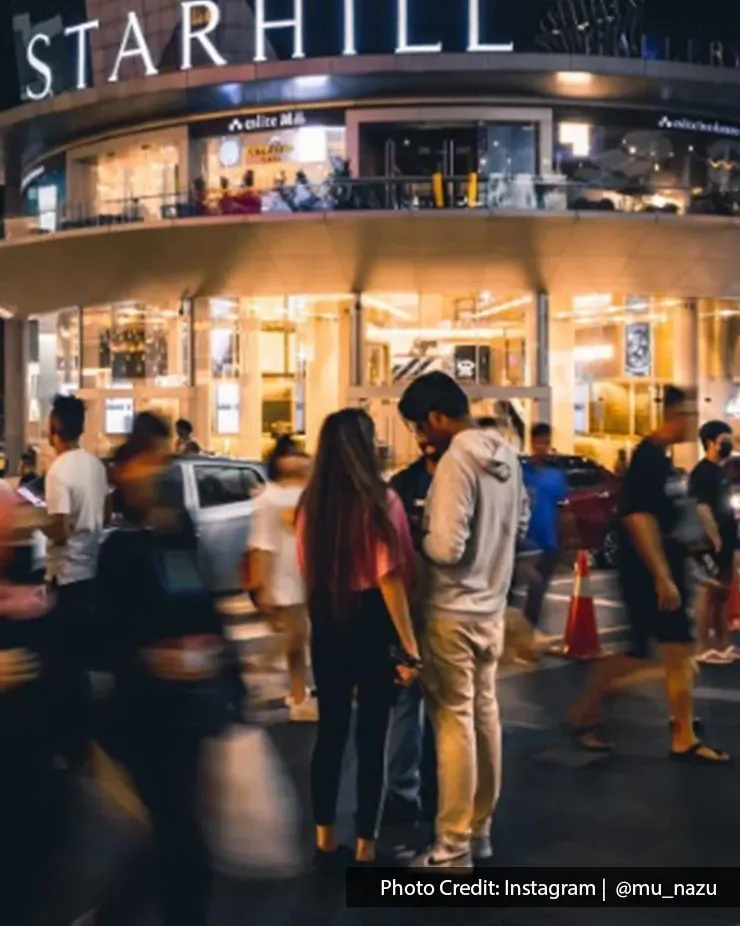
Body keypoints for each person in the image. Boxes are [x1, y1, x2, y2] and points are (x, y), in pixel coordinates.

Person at [96, 413, 242, 926]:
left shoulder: (180, 534)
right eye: (148, 460)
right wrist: (156, 656)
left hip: (190, 710)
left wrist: (227, 673)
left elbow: (207, 608)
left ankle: (118, 913)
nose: (157, 470)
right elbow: (110, 635)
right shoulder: (120, 549)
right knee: (181, 836)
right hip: (146, 712)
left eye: (164, 458)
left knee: (172, 833)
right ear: (124, 470)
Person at [398, 372, 526, 869]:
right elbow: (517, 526)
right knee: (486, 719)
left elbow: (446, 549)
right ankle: (480, 830)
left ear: (436, 417)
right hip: (490, 608)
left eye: (418, 427)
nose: (421, 439)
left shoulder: (455, 463)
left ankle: (452, 848)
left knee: (454, 726)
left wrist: (419, 530)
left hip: (450, 612)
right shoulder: (507, 456)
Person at [568, 386, 729, 765]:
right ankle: (588, 712)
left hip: (664, 569)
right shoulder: (648, 458)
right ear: (675, 415)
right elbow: (638, 518)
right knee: (652, 654)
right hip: (644, 572)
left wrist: (692, 565)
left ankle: (681, 733)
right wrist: (661, 576)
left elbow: (673, 518)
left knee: (674, 651)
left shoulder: (664, 460)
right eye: (690, 413)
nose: (693, 421)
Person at [297, 408, 418, 869]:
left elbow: (307, 568)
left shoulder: (312, 502)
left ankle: (325, 837)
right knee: (373, 737)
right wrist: (409, 645)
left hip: (328, 615)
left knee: (330, 732)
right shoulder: (380, 500)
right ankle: (366, 844)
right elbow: (390, 578)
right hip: (372, 619)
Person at [42, 395, 108, 759]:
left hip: (66, 576)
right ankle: (85, 736)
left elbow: (60, 529)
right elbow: (107, 513)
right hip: (91, 570)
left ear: (55, 431)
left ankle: (68, 742)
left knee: (61, 665)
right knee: (80, 660)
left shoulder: (58, 471)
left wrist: (37, 522)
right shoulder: (94, 466)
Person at [384, 433, 439, 827]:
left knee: (444, 705)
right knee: (409, 703)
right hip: (411, 606)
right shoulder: (402, 485)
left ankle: (436, 785)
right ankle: (404, 790)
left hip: (444, 608)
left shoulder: (460, 478)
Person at [248, 435, 316, 721]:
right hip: (285, 577)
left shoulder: (313, 493)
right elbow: (261, 543)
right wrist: (262, 584)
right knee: (296, 638)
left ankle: (299, 691)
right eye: (289, 454)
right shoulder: (269, 497)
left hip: (313, 575)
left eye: (300, 454)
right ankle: (298, 695)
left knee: (300, 638)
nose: (297, 459)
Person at [689, 420, 737, 665]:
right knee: (708, 592)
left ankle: (723, 644)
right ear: (709, 443)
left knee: (723, 593)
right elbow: (702, 507)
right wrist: (715, 537)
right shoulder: (702, 472)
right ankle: (700, 647)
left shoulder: (720, 470)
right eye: (724, 441)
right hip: (709, 542)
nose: (729, 444)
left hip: (727, 539)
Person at [521, 423, 569, 632]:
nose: (543, 447)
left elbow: (562, 509)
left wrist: (564, 540)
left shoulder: (555, 476)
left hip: (548, 541)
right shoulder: (521, 473)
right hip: (523, 542)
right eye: (539, 442)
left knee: (538, 591)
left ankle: (529, 630)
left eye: (546, 443)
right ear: (532, 442)